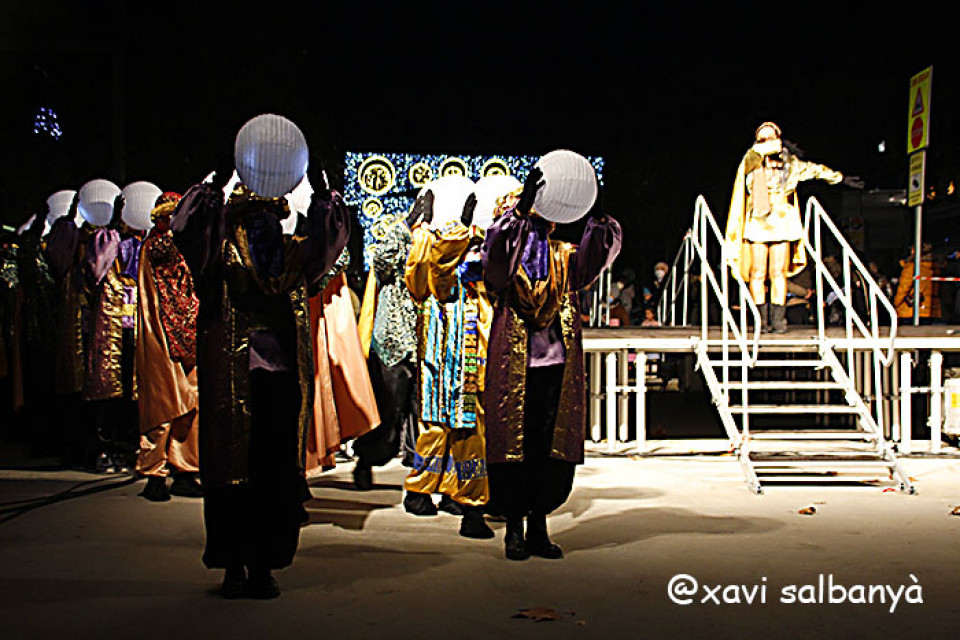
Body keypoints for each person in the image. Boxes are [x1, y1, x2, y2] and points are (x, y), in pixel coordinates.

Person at [174, 165, 350, 599]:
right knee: (233, 471)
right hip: (233, 378)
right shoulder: (218, 252)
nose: (262, 224)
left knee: (272, 473)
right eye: (254, 215)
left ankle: (262, 565)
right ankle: (236, 565)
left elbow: (328, 245)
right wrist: (211, 189)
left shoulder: (293, 251)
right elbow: (186, 229)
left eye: (268, 214)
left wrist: (325, 199)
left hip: (279, 378)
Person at [482, 168, 621, 561]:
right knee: (514, 447)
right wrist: (519, 214)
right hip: (514, 365)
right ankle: (514, 528)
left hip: (555, 365)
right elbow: (497, 258)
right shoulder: (507, 259)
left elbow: (595, 259)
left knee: (547, 448)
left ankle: (539, 526)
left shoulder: (562, 255)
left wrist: (599, 219)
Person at [401, 190, 495, 539]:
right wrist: (460, 231)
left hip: (463, 355)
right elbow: (433, 278)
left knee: (463, 429)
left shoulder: (480, 244)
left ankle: (460, 497)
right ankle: (436, 493)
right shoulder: (431, 245)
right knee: (442, 427)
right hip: (445, 355)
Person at [724, 122, 855, 333]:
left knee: (778, 273)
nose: (767, 142)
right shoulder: (752, 160)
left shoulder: (790, 164)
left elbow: (814, 170)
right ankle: (760, 320)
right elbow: (753, 155)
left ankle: (778, 320)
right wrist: (770, 144)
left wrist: (840, 178)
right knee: (757, 272)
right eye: (762, 138)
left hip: (782, 219)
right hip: (758, 219)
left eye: (771, 137)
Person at [135, 193, 202, 501]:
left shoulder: (183, 245)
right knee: (163, 403)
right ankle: (155, 472)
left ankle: (185, 468)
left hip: (190, 331)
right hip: (162, 333)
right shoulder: (158, 246)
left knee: (192, 401)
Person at [893, 243, 941, 323]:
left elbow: (903, 288)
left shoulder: (912, 267)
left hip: (910, 309)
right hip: (930, 309)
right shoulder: (935, 267)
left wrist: (896, 303)